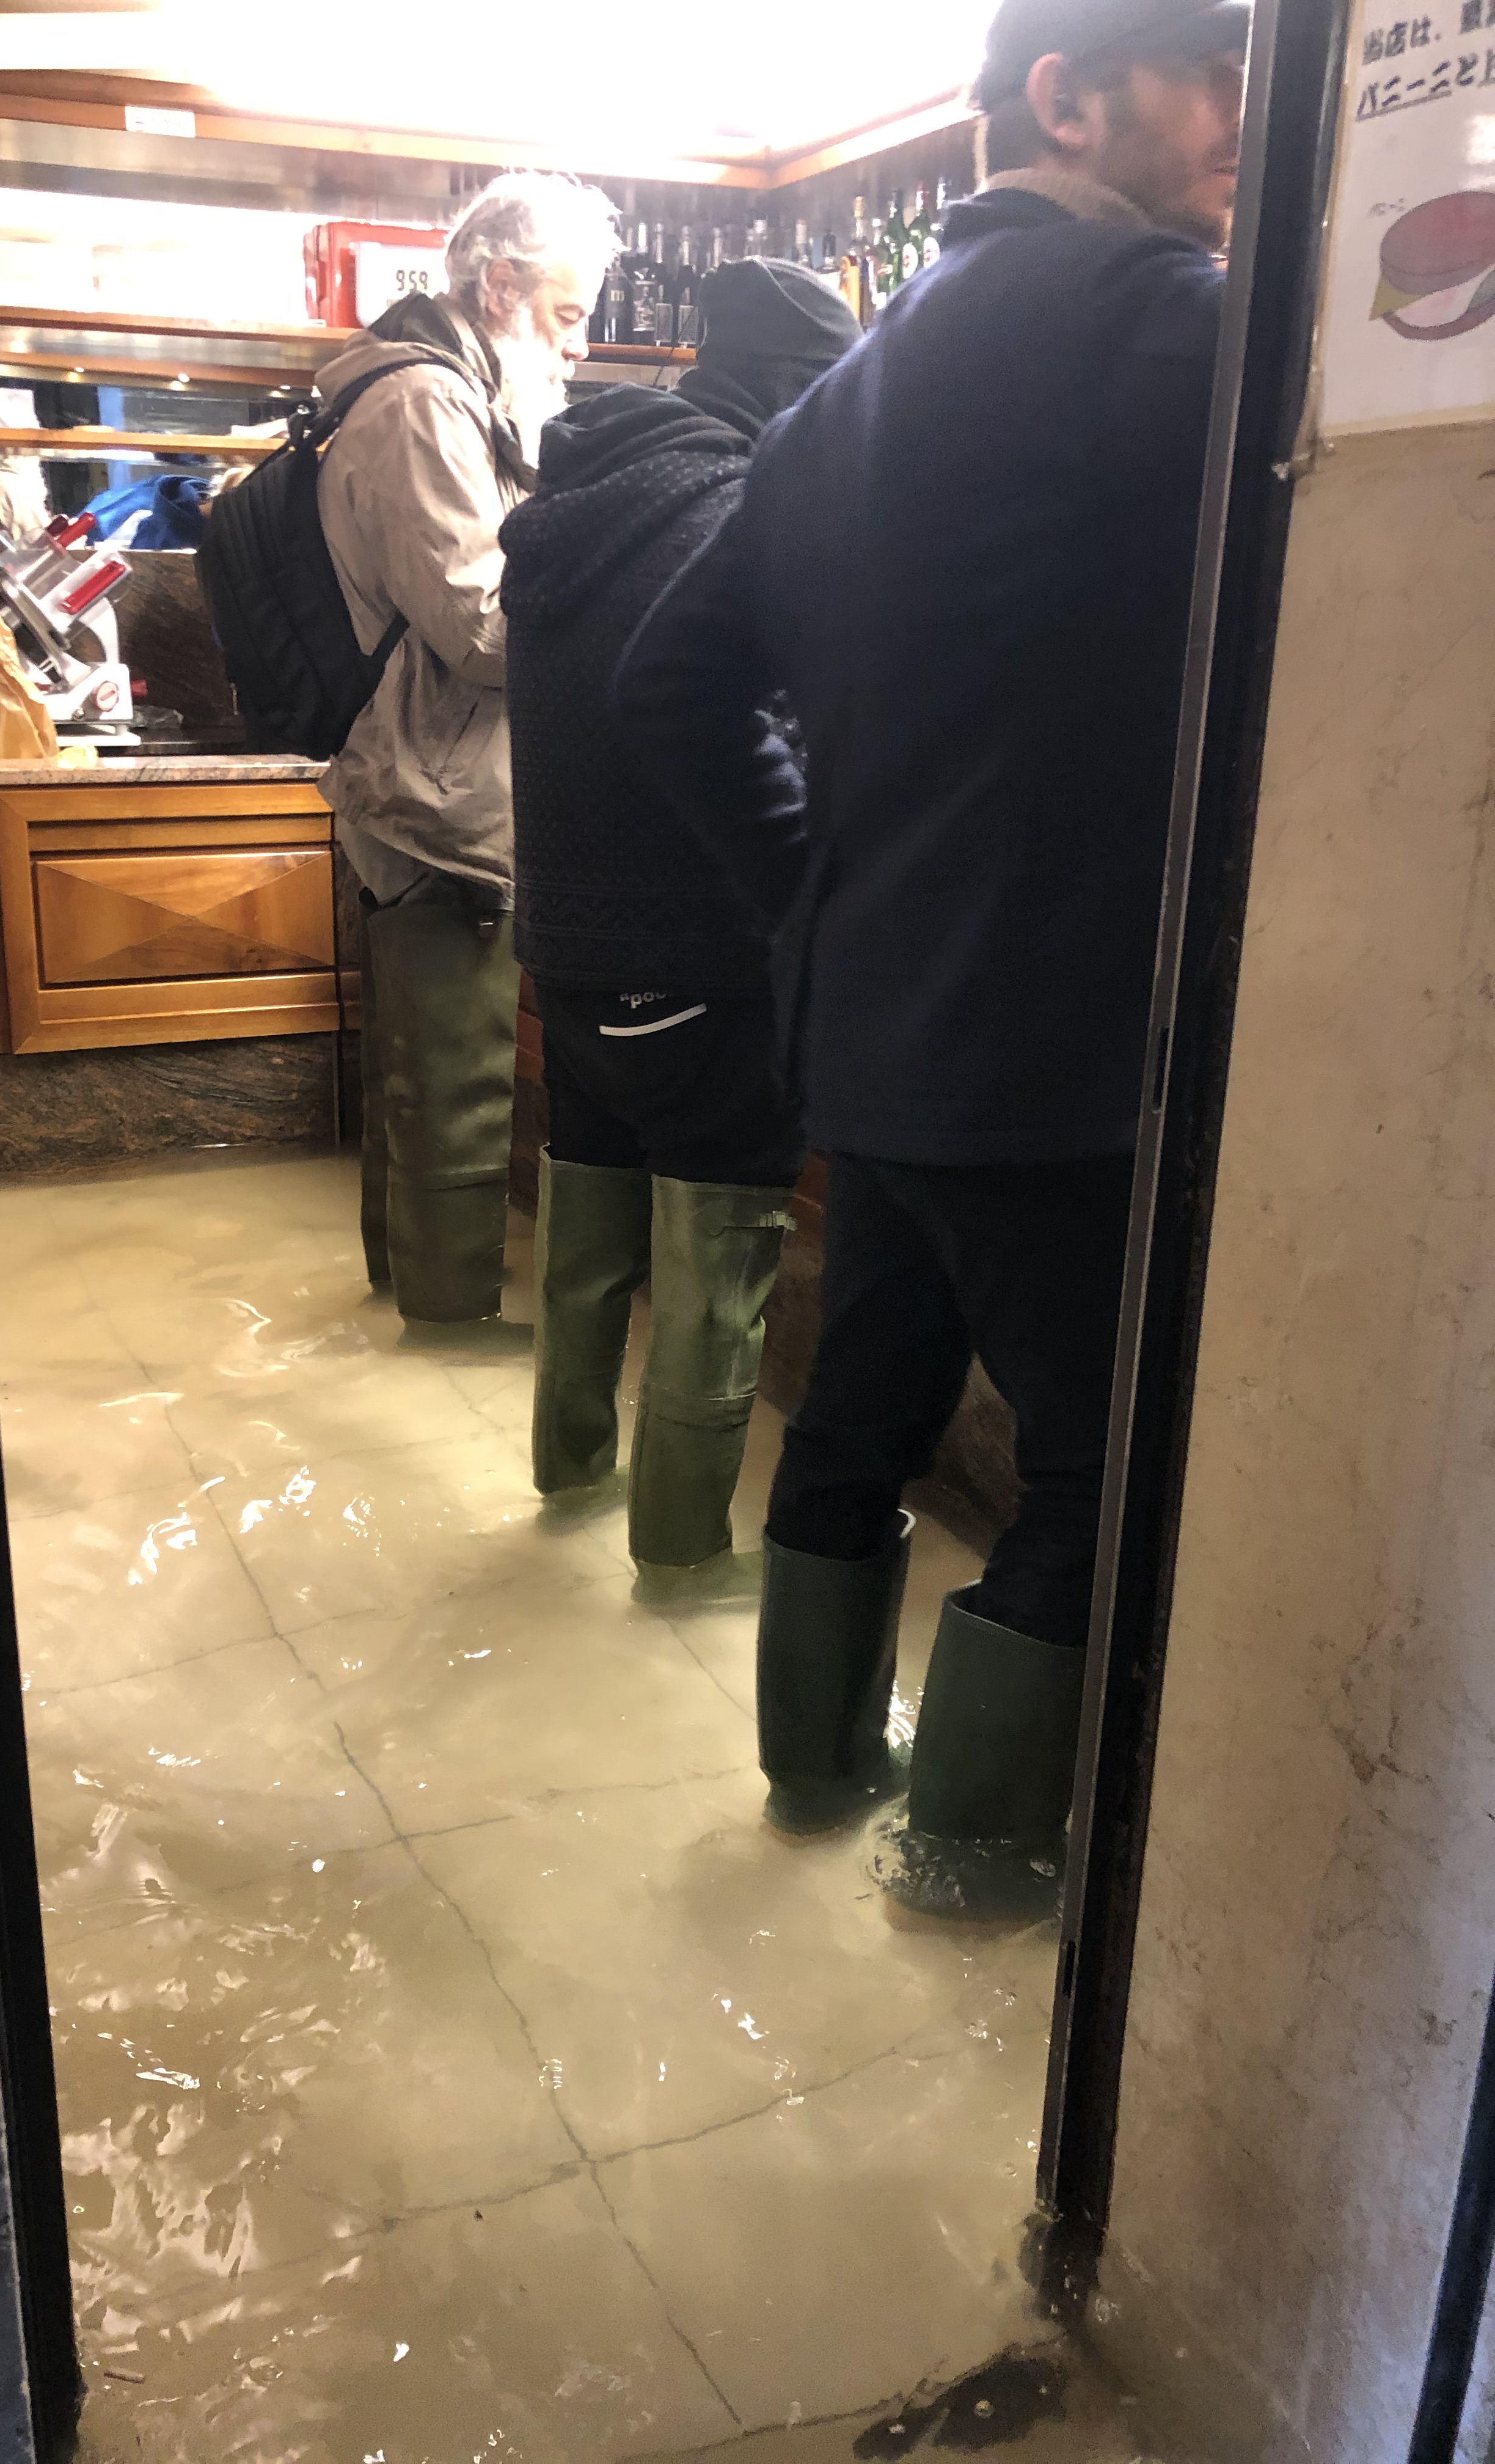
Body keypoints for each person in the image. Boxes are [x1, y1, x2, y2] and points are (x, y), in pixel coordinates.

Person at [616, 0, 1248, 1882]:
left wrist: (817, 882)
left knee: (859, 1415)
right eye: (1216, 71)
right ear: (1069, 97)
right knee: (1102, 1466)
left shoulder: (831, 408)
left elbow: (672, 686)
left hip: (871, 1032)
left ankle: (814, 1783)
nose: (1247, 115)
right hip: (1050, 1046)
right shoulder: (1173, 325)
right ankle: (969, 1874)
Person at [499, 260, 860, 1574]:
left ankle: (567, 1483)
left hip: (570, 956)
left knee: (588, 1247)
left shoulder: (580, 494)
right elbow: (738, 723)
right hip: (698, 955)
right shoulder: (732, 504)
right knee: (719, 1284)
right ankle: (680, 1568)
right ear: (794, 392)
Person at [314, 174, 618, 1326]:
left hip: (412, 780)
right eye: (568, 314)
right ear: (499, 286)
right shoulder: (425, 408)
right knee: (458, 1084)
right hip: (434, 798)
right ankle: (448, 1331)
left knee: (420, 1074)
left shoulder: (422, 391)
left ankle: (412, 1304)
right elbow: (486, 630)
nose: (579, 348)